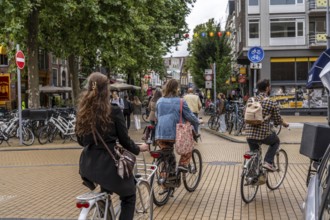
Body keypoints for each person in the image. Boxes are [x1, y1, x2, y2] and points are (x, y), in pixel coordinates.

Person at [75, 72, 149, 220]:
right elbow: (124, 141)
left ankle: (104, 212)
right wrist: (137, 148)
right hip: (108, 165)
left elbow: (81, 141)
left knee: (107, 186)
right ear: (106, 90)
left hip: (87, 166)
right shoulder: (114, 110)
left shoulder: (82, 112)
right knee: (129, 197)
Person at [155, 79, 200, 175]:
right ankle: (183, 164)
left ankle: (165, 180)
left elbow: (157, 115)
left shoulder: (159, 101)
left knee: (166, 156)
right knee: (188, 148)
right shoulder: (180, 101)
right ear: (176, 89)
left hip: (160, 133)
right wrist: (198, 121)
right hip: (175, 133)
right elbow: (189, 116)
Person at [245, 79, 289, 171]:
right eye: (270, 86)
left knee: (254, 152)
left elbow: (245, 114)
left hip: (249, 134)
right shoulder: (271, 102)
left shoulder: (250, 100)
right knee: (276, 141)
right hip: (263, 134)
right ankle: (268, 162)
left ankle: (252, 176)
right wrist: (283, 123)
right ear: (267, 88)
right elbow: (277, 120)